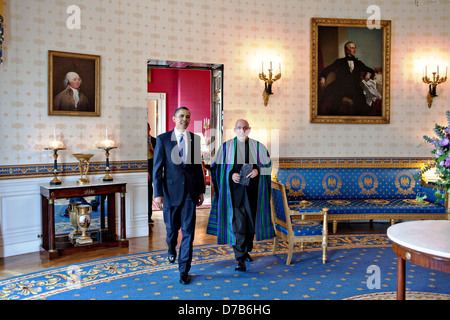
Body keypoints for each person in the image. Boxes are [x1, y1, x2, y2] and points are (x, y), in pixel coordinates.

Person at [206, 119, 274, 272]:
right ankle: (240, 258)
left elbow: (267, 167)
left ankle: (246, 249)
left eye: (245, 128)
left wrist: (257, 171)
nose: (242, 130)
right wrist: (230, 175)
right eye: (239, 128)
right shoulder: (226, 148)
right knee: (238, 225)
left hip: (253, 193)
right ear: (234, 130)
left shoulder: (258, 147)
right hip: (233, 195)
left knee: (250, 224)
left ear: (249, 129)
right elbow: (216, 169)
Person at [153, 106, 205, 284]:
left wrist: (200, 190)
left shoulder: (195, 139)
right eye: (182, 116)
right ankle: (171, 248)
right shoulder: (163, 139)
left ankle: (184, 269)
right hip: (170, 193)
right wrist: (157, 193)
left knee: (189, 232)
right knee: (171, 230)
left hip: (190, 193)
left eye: (188, 116)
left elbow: (198, 167)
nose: (185, 119)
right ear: (174, 118)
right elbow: (157, 169)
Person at [318, 41, 375, 116]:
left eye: (354, 48)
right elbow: (326, 70)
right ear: (347, 50)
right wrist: (323, 78)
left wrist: (368, 73)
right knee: (335, 101)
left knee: (361, 100)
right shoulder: (339, 62)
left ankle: (358, 121)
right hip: (340, 87)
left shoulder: (358, 63)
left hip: (354, 88)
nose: (354, 50)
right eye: (352, 48)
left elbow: (370, 70)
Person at [147, 123, 157, 227]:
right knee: (149, 191)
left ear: (149, 129)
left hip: (156, 169)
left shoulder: (156, 140)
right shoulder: (139, 142)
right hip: (147, 170)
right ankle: (148, 216)